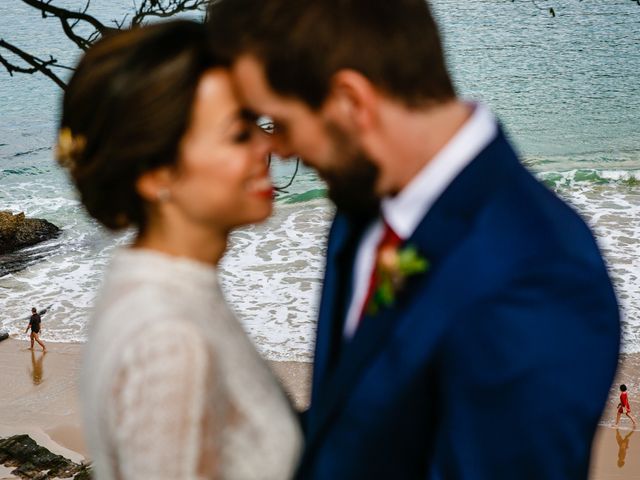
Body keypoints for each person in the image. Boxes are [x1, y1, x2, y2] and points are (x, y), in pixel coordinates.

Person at [207, 1, 621, 478]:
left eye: (279, 123)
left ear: (351, 101)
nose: (275, 149)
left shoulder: (540, 277)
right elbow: (358, 429)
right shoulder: (363, 201)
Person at [56, 21, 301, 479]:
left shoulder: (156, 290)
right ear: (156, 175)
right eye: (239, 134)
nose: (269, 145)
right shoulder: (169, 343)